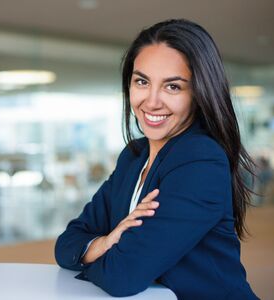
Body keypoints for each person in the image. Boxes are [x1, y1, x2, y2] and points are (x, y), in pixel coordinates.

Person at [55, 19, 259, 299]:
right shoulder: (134, 156)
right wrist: (105, 242)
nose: (151, 102)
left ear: (199, 94)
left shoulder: (201, 161)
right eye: (142, 81)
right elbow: (67, 243)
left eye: (173, 87)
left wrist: (96, 254)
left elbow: (122, 275)